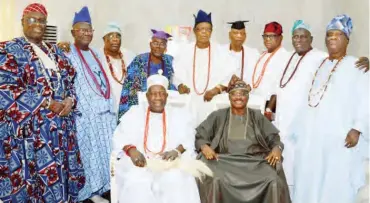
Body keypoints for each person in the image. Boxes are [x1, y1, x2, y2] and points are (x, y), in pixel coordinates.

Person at [0, 3, 85, 202]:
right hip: (32, 134)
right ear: (22, 22)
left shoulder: (56, 52)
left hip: (62, 130)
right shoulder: (8, 50)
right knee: (35, 184)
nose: (37, 24)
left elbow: (71, 82)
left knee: (60, 179)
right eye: (32, 19)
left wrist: (70, 101)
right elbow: (4, 89)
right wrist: (46, 103)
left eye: (41, 20)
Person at [292, 14, 369, 203]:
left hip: (340, 138)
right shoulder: (319, 64)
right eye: (329, 35)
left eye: (338, 35)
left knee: (335, 184)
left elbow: (366, 98)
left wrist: (357, 128)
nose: (332, 38)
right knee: (310, 180)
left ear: (347, 39)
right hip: (313, 137)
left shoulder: (357, 65)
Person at [195, 78, 291, 203]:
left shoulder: (257, 116)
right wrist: (204, 146)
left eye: (242, 94)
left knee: (274, 181)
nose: (238, 97)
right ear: (229, 97)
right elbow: (201, 134)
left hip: (255, 163)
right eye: (234, 94)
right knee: (215, 180)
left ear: (247, 97)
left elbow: (274, 138)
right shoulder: (218, 115)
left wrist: (277, 148)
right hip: (224, 161)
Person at [112, 71, 201, 203]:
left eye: (161, 93)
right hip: (141, 161)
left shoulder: (179, 114)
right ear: (147, 96)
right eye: (153, 94)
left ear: (166, 96)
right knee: (137, 181)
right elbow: (120, 136)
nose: (157, 97)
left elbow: (188, 136)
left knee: (175, 179)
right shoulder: (135, 113)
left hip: (170, 164)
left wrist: (176, 151)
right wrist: (132, 151)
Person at [65, 6, 115, 203]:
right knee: (89, 154)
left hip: (103, 113)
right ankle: (90, 193)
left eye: (89, 30)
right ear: (73, 32)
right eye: (81, 29)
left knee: (104, 153)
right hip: (85, 116)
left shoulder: (96, 53)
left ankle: (102, 189)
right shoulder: (67, 53)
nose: (86, 33)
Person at [171, 9, 234, 125]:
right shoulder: (185, 51)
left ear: (211, 31)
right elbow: (176, 74)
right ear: (195, 31)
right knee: (189, 130)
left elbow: (228, 75)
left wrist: (216, 90)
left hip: (211, 100)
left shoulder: (221, 51)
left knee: (210, 131)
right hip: (190, 99)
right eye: (201, 29)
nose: (204, 32)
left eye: (208, 29)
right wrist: (180, 85)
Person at [117, 29, 176, 120]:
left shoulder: (168, 61)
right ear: (150, 44)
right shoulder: (139, 60)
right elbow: (128, 85)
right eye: (155, 43)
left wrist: (178, 88)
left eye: (162, 44)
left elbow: (169, 84)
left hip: (161, 107)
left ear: (166, 47)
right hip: (139, 106)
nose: (158, 47)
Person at [245, 22, 290, 120]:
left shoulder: (285, 57)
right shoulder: (261, 56)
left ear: (280, 38)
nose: (267, 39)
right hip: (254, 104)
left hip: (270, 108)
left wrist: (269, 108)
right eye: (265, 36)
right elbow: (253, 81)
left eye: (271, 36)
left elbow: (279, 88)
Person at [101, 22, 135, 116]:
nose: (115, 39)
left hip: (126, 107)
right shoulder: (97, 56)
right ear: (104, 39)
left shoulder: (129, 55)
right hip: (106, 109)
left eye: (118, 36)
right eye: (111, 36)